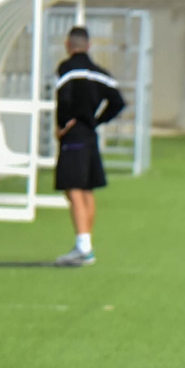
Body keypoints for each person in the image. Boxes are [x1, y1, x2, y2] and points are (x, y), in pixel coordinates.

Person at [52, 27, 126, 267]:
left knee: (73, 189)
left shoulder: (66, 69)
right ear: (89, 45)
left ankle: (83, 247)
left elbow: (64, 98)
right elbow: (118, 102)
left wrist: (62, 125)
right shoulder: (100, 73)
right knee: (86, 189)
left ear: (67, 44)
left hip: (73, 135)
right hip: (89, 134)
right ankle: (85, 244)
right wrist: (97, 120)